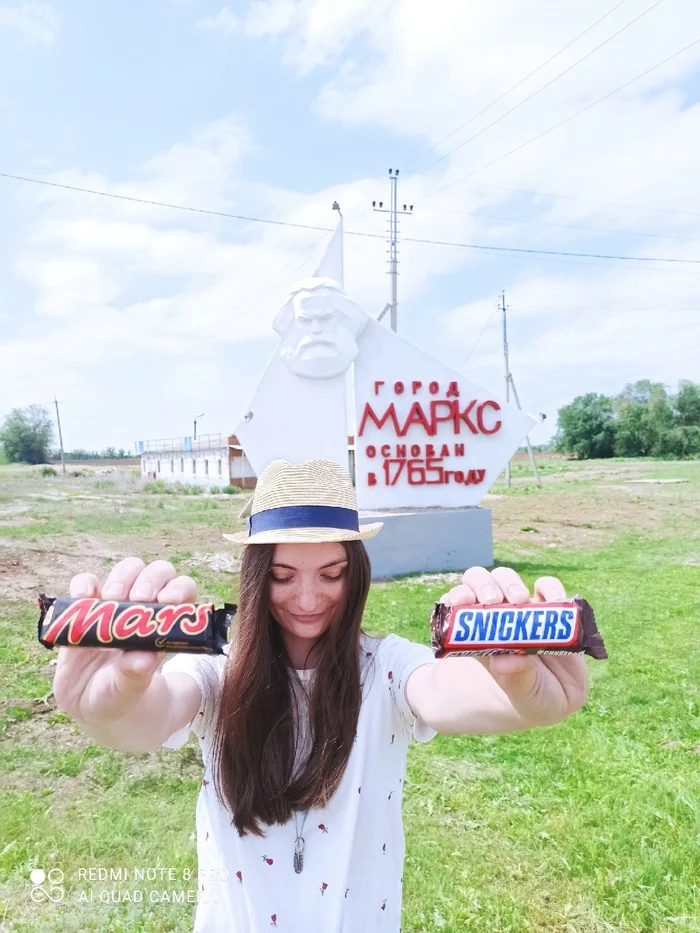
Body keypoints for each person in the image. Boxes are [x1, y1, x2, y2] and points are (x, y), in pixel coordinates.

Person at [53, 458, 589, 933]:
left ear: (355, 574)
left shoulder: (387, 668)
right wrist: (108, 707)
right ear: (256, 578)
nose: (308, 599)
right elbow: (148, 717)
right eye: (283, 576)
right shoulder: (217, 672)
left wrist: (521, 692)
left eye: (331, 574)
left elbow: (446, 692)